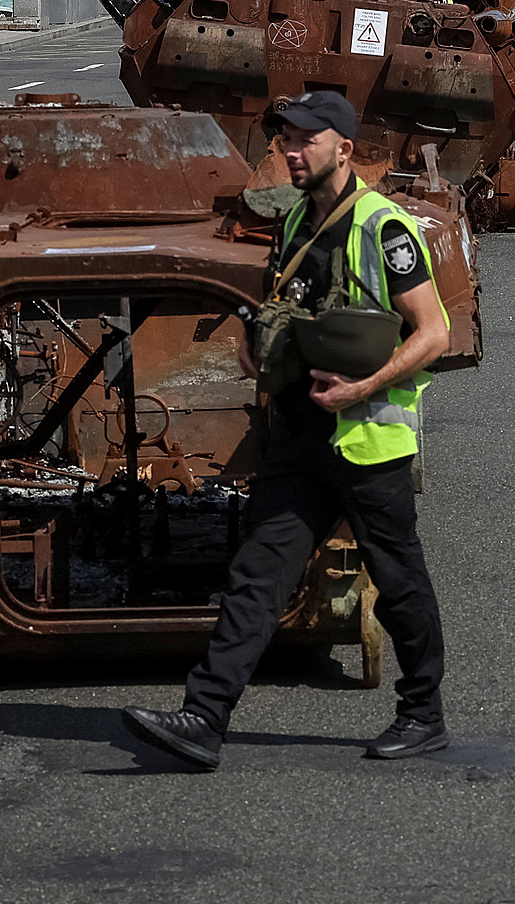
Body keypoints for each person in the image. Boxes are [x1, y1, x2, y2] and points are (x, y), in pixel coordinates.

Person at [121, 91, 452, 771]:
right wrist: (256, 340)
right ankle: (204, 718)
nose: (290, 150)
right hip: (299, 435)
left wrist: (362, 387)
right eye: (286, 138)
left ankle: (423, 713)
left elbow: (435, 331)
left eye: (304, 138)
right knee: (257, 576)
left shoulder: (383, 229)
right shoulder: (295, 216)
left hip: (367, 439)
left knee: (398, 581)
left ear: (343, 148)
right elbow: (289, 306)